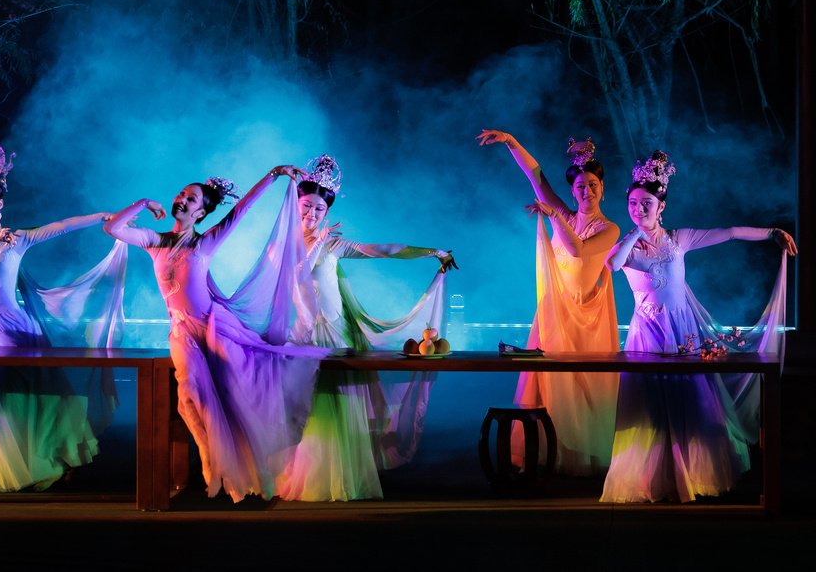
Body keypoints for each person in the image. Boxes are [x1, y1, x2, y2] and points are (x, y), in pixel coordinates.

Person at [105, 166, 326, 502]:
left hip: (214, 328)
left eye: (191, 198)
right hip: (182, 332)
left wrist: (274, 174)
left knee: (236, 394)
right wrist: (143, 203)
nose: (182, 199)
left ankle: (247, 466)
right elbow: (112, 228)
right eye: (181, 194)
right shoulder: (155, 242)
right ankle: (210, 459)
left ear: (201, 212)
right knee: (190, 391)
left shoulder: (205, 242)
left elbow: (242, 209)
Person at [600, 151, 792, 502]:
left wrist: (771, 232)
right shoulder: (627, 246)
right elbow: (612, 265)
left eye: (647, 204)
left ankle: (688, 475)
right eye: (633, 203)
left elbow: (729, 233)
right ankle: (653, 478)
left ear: (661, 206)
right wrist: (633, 234)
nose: (639, 209)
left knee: (689, 400)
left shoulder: (679, 239)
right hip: (648, 334)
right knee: (651, 405)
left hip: (682, 330)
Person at [0, 145, 127, 492]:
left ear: (0, 206)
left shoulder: (18, 239)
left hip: (18, 330)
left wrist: (100, 216)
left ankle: (52, 456)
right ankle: (8, 463)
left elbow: (60, 227)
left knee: (38, 394)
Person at [277, 155, 457, 501]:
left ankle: (341, 477)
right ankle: (309, 477)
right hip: (303, 336)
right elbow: (298, 274)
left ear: (327, 213)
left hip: (336, 335)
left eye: (319, 209)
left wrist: (431, 251)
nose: (311, 214)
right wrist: (317, 242)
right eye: (306, 206)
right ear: (295, 205)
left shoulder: (333, 245)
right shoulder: (285, 243)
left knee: (342, 406)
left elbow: (381, 250)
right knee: (309, 408)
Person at [476, 130, 620, 475]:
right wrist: (511, 142)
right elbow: (536, 175)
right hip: (554, 314)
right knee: (544, 385)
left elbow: (578, 250)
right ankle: (543, 454)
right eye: (580, 186)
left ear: (603, 187)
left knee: (580, 388)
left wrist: (553, 215)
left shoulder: (610, 229)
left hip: (584, 320)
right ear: (572, 191)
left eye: (593, 185)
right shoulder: (564, 215)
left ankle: (580, 456)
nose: (586, 191)